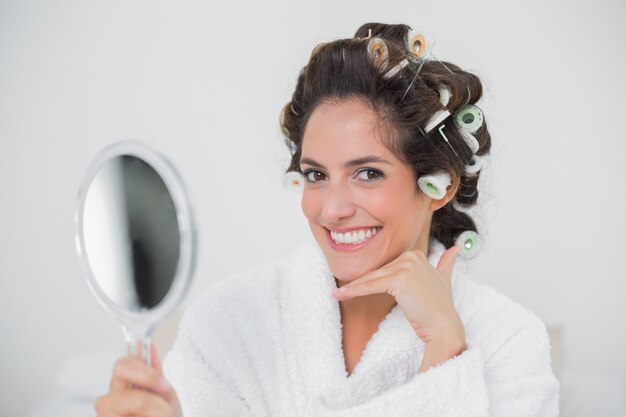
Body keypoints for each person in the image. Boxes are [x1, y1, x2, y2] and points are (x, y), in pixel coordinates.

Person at [94, 22, 560, 417]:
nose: (332, 208)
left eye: (368, 173)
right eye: (315, 174)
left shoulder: (507, 340)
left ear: (440, 184)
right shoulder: (228, 323)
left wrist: (444, 351)